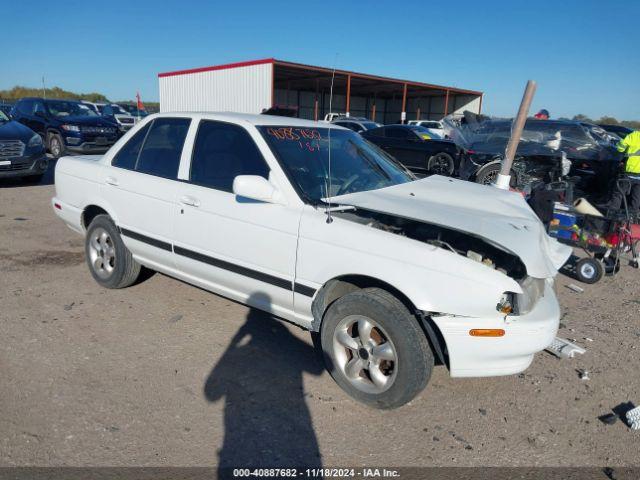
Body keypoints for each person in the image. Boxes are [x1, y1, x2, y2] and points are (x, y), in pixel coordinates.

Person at [608, 130, 640, 212]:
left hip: (630, 171)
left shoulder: (634, 135)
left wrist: (620, 148)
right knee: (636, 198)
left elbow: (621, 147)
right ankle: (632, 218)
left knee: (618, 194)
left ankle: (612, 217)